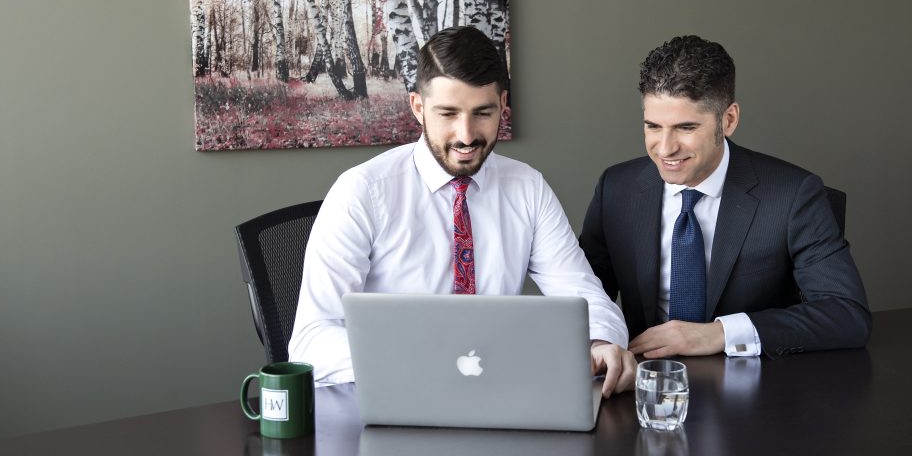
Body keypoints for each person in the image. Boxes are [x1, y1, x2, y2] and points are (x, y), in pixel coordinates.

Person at [289, 26, 636, 396]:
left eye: (483, 113)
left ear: (504, 104)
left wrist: (600, 342)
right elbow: (311, 341)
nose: (467, 135)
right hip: (395, 396)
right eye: (448, 114)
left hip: (500, 395)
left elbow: (584, 295)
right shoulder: (362, 192)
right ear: (418, 108)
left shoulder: (527, 188)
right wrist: (431, 360)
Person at [579, 35, 871, 359]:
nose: (665, 148)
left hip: (755, 390)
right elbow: (582, 298)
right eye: (653, 126)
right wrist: (599, 344)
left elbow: (847, 314)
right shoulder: (615, 189)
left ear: (728, 120)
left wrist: (720, 333)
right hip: (645, 384)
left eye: (685, 127)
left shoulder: (794, 195)